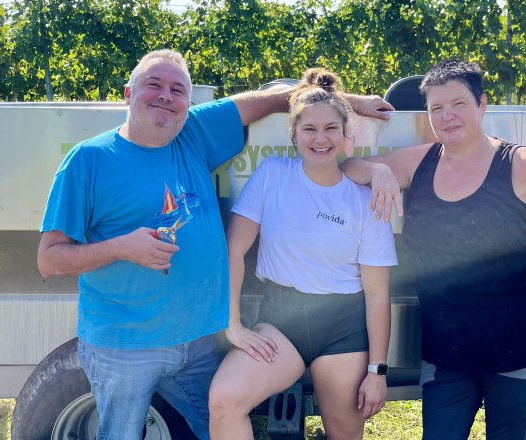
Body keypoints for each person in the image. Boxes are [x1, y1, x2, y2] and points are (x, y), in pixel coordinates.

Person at [36, 49, 393, 440]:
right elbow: (50, 260)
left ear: (189, 103)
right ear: (128, 93)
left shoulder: (192, 134)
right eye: (153, 85)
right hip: (127, 345)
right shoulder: (88, 160)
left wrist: (350, 103)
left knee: (219, 422)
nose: (165, 97)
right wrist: (121, 248)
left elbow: (274, 99)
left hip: (198, 341)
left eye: (177, 90)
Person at [341, 59, 526, 439]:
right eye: (436, 108)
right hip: (445, 350)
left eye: (458, 104)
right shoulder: (420, 162)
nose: (447, 116)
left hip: (513, 346)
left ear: (482, 104)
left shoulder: (518, 164)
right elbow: (349, 168)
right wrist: (379, 171)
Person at [208, 68, 397, 440]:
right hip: (281, 322)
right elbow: (234, 249)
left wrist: (377, 371)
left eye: (331, 129)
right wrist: (232, 324)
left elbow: (377, 294)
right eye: (309, 129)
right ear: (294, 135)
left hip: (343, 331)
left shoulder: (366, 199)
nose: (320, 138)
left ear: (347, 137)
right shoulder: (272, 175)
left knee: (344, 434)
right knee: (224, 399)